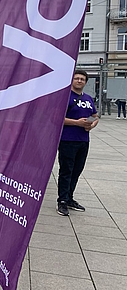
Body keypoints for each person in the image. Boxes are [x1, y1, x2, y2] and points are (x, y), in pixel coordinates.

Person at [57, 70, 99, 216]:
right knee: (66, 171)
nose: (79, 81)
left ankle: (69, 198)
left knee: (77, 171)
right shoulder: (65, 97)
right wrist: (76, 123)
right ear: (72, 80)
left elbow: (95, 115)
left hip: (83, 140)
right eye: (76, 78)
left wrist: (92, 125)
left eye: (82, 79)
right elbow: (57, 118)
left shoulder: (88, 99)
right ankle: (62, 200)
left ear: (86, 82)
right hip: (67, 140)